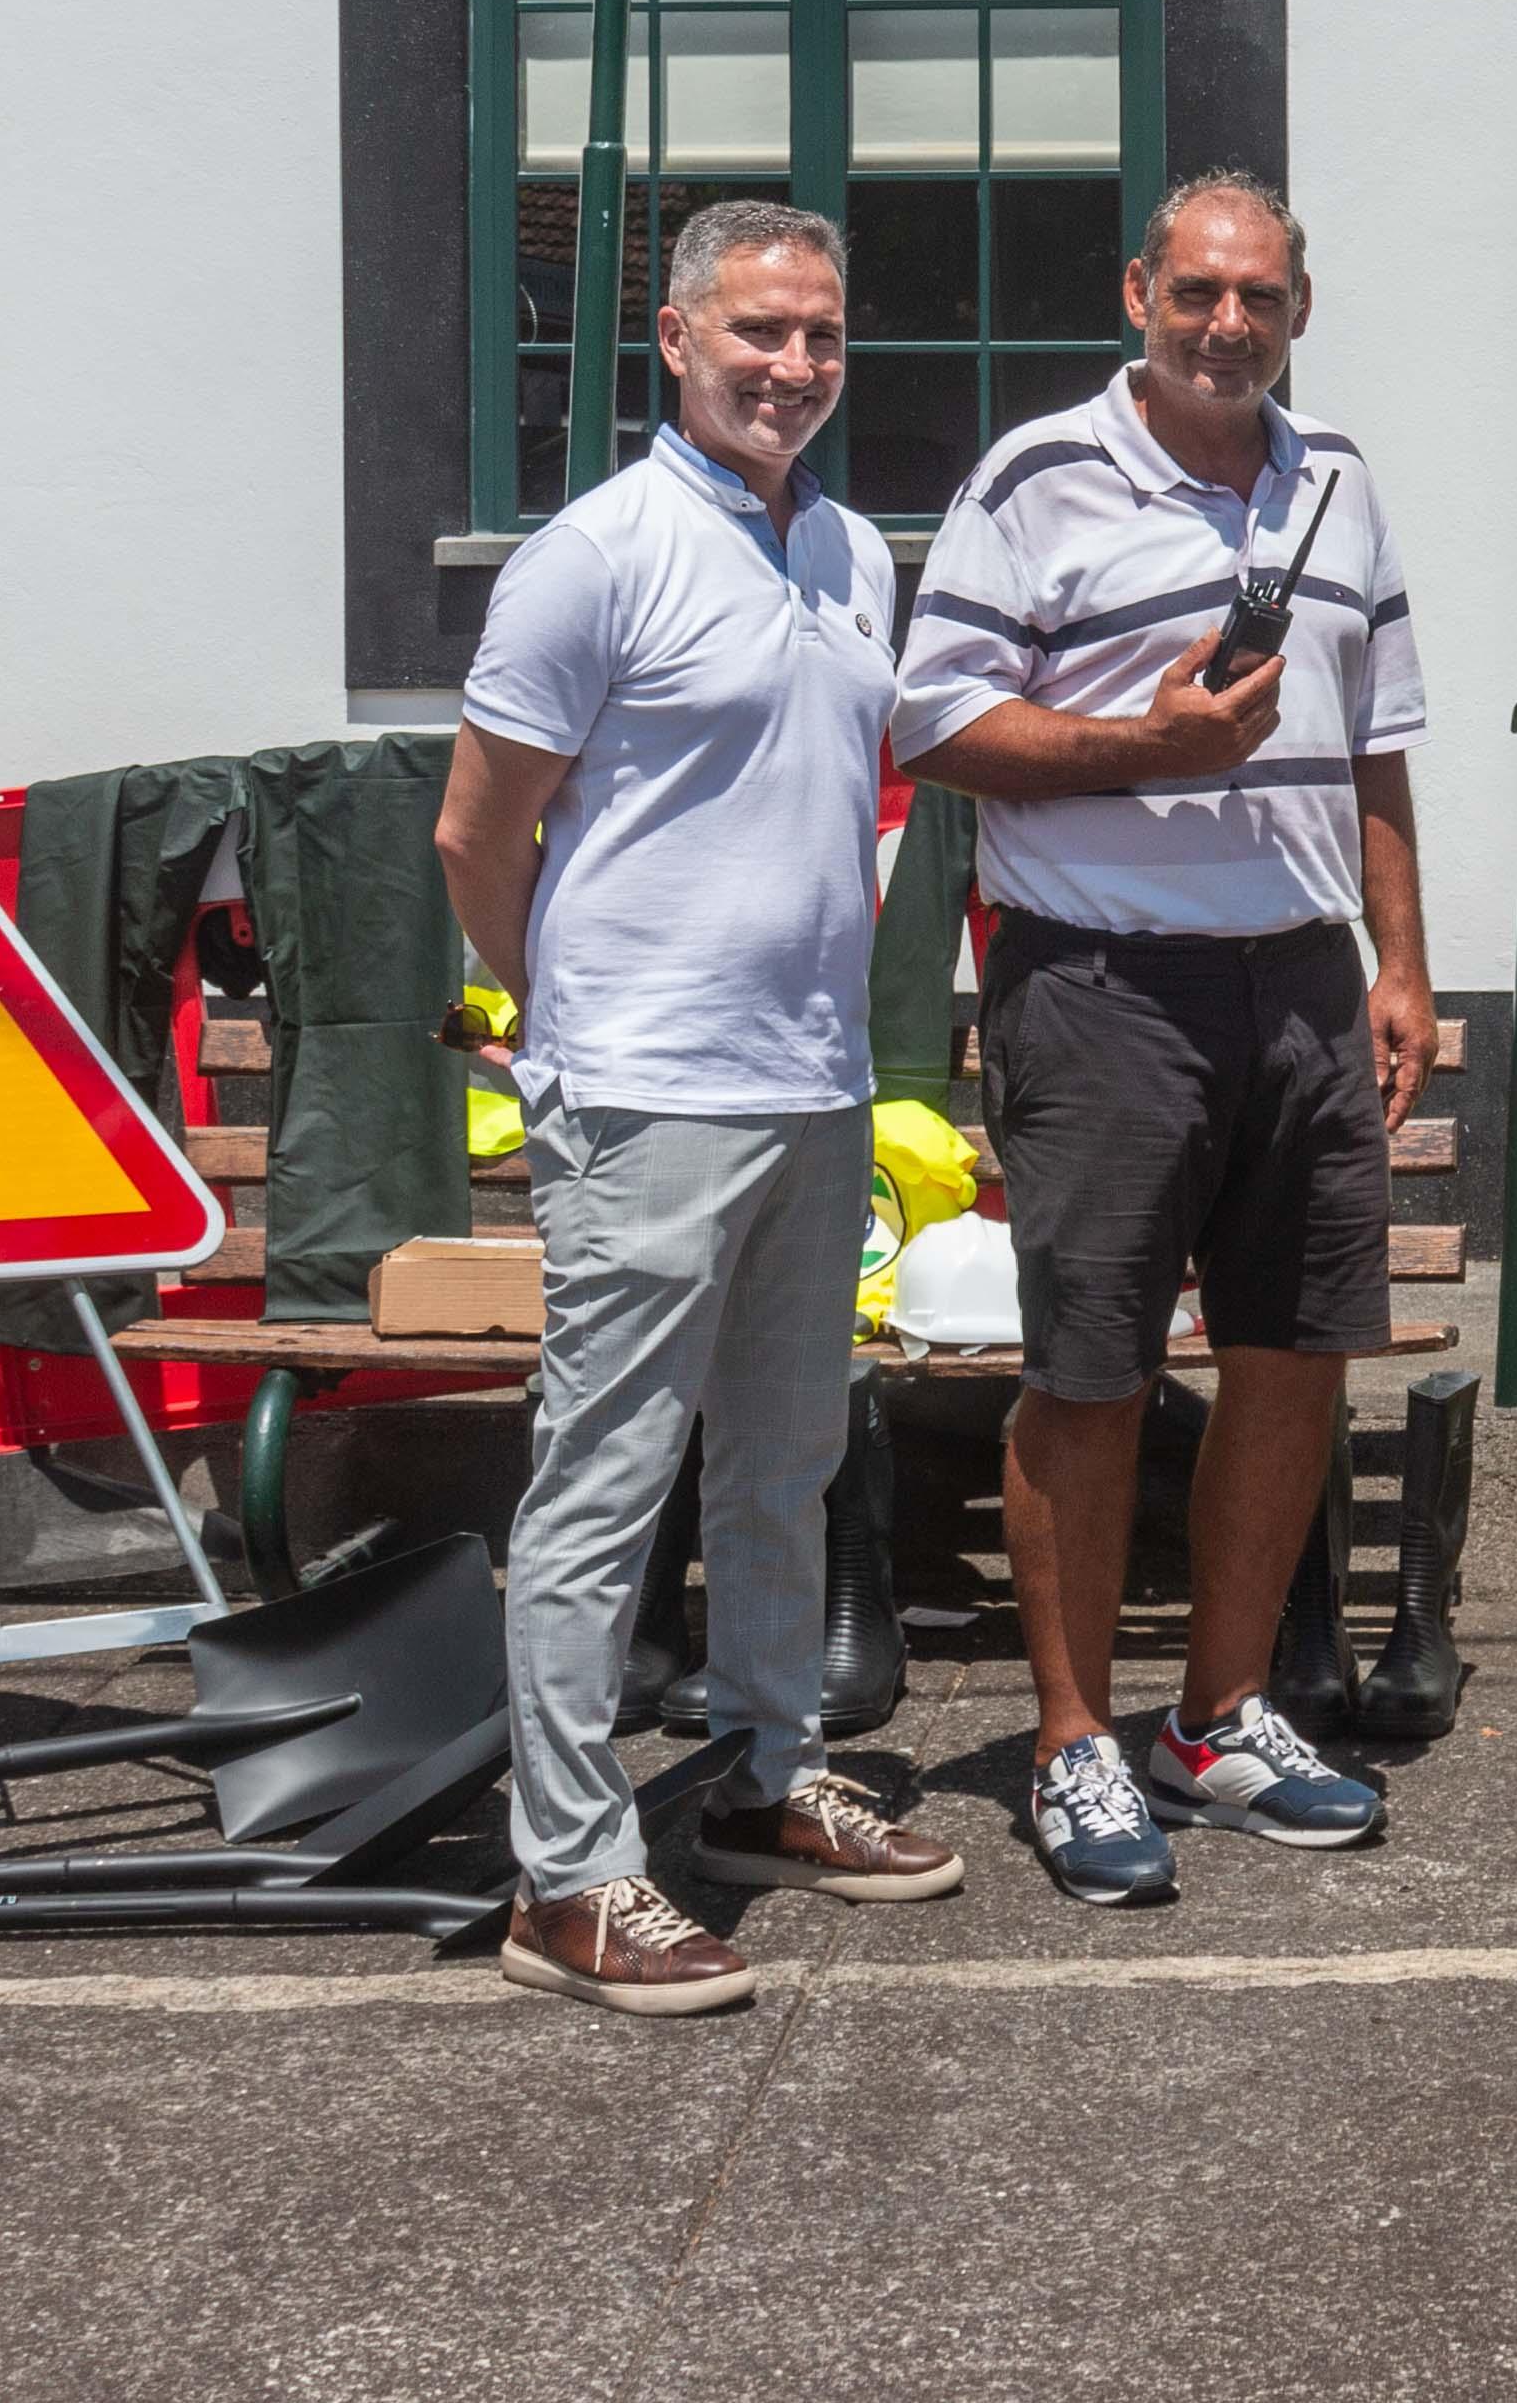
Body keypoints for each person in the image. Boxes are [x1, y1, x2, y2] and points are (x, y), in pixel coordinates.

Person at [436, 203, 968, 2019]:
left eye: (821, 336)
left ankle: (756, 1774)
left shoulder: (842, 551)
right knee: (604, 1485)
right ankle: (569, 1877)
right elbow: (473, 832)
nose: (793, 367)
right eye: (757, 333)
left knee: (782, 1464)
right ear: (676, 341)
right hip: (645, 1098)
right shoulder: (596, 555)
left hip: (811, 1089)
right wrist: (577, 1017)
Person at [893, 173, 1432, 1905]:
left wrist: (1402, 963)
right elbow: (939, 722)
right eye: (1196, 292)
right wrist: (1145, 746)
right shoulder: (1033, 476)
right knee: (1096, 1364)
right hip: (1104, 982)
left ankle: (1220, 1715)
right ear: (1139, 293)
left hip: (1297, 980)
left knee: (1294, 1354)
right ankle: (1071, 1740)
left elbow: (1379, 745)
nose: (1226, 324)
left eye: (1259, 297)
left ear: (1299, 309)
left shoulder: (1337, 478)